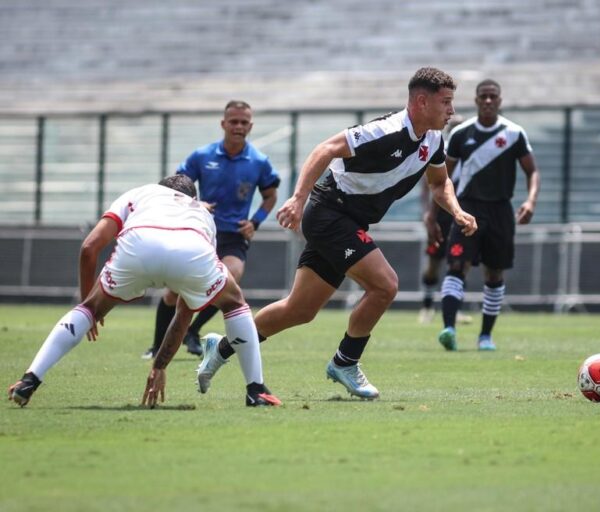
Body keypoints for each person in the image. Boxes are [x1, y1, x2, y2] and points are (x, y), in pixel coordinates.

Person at [194, 67, 477, 400]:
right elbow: (324, 149)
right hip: (329, 213)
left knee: (299, 310)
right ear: (421, 101)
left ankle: (222, 347)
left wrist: (456, 211)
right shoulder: (385, 131)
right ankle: (346, 361)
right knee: (385, 285)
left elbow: (440, 182)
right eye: (445, 102)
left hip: (349, 222)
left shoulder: (433, 140)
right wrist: (297, 199)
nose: (452, 111)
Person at [7, 175, 280, 408]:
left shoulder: (140, 193)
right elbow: (184, 312)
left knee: (87, 310)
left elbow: (90, 247)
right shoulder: (202, 213)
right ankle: (256, 390)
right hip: (191, 247)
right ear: (192, 196)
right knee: (234, 304)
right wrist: (160, 366)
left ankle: (30, 379)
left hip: (139, 243)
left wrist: (89, 304)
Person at [142, 100, 280, 359]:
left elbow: (270, 196)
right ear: (223, 124)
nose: (238, 126)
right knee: (173, 292)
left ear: (250, 126)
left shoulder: (259, 161)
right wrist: (196, 203)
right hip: (201, 232)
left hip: (234, 236)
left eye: (243, 122)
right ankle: (157, 345)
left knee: (230, 279)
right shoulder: (202, 156)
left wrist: (255, 222)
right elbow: (175, 187)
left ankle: (192, 331)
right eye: (233, 121)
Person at [435, 79, 541, 351]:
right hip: (468, 207)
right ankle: (448, 329)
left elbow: (532, 171)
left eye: (493, 96)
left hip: (500, 211)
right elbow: (441, 176)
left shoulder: (514, 133)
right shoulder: (461, 133)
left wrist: (530, 201)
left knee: (494, 274)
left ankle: (485, 337)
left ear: (500, 100)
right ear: (476, 100)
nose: (488, 101)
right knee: (457, 266)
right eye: (484, 96)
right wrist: (436, 212)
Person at [418, 114, 472, 325]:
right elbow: (428, 183)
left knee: (461, 261)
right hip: (441, 214)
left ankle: (454, 309)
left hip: (462, 212)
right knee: (434, 261)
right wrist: (427, 211)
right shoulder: (440, 150)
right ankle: (427, 306)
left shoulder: (469, 152)